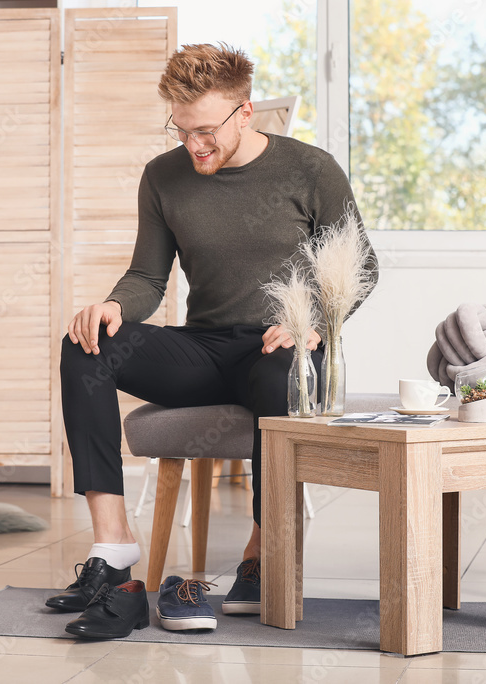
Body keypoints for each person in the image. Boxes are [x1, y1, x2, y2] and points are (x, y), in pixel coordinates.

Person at [49, 43, 378, 637]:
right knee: (85, 344)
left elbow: (363, 266)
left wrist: (316, 324)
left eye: (205, 131)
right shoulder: (163, 176)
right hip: (204, 347)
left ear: (245, 112)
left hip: (284, 346)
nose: (194, 145)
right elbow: (148, 276)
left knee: (279, 374)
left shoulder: (311, 169)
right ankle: (114, 549)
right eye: (181, 130)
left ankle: (259, 553)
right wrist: (113, 307)